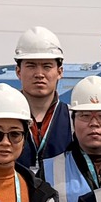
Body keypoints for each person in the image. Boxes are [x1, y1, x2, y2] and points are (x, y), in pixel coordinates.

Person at [13, 26, 74, 167]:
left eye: (47, 66)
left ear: (60, 72)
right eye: (31, 66)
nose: (39, 74)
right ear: (18, 71)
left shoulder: (73, 120)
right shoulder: (4, 117)